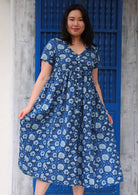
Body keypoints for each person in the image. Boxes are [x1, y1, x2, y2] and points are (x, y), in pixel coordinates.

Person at [18, 3, 123, 195]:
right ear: (66, 22)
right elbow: (43, 77)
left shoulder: (92, 50)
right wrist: (29, 106)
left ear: (86, 23)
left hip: (85, 111)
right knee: (51, 153)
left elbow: (95, 83)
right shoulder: (55, 45)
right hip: (58, 110)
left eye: (80, 19)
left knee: (80, 156)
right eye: (72, 19)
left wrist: (104, 110)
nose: (76, 23)